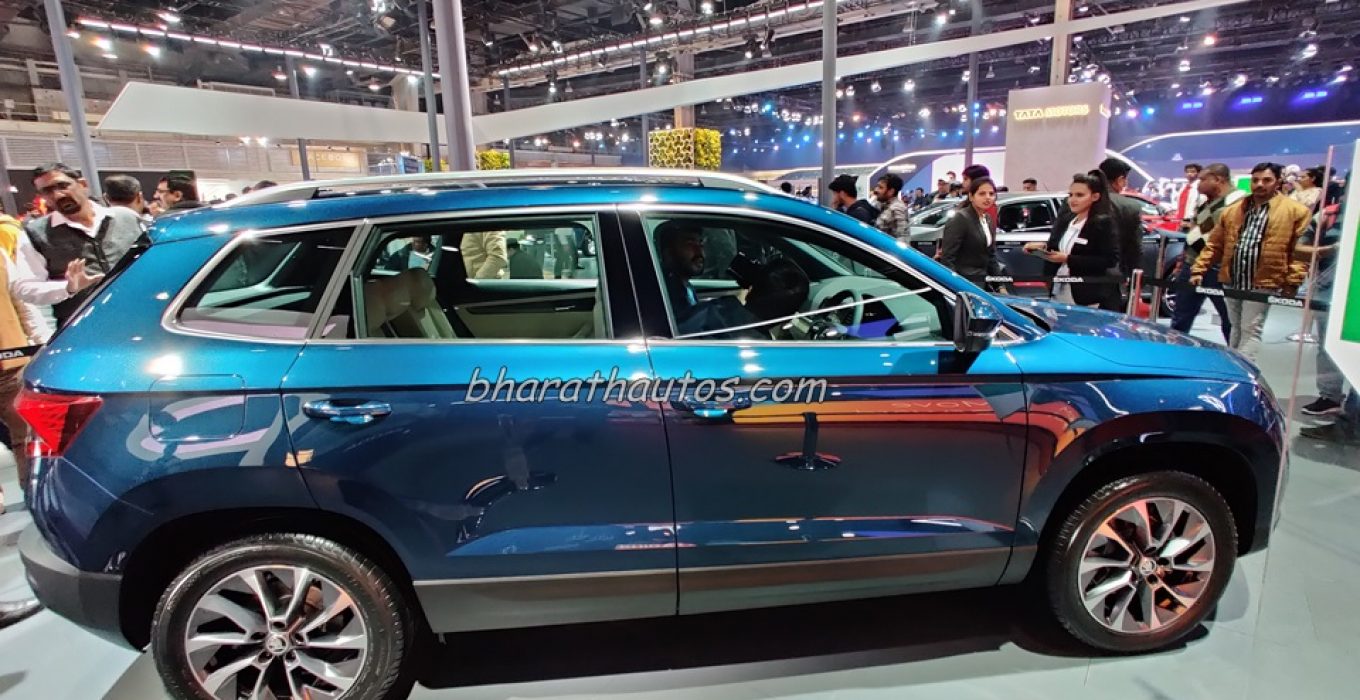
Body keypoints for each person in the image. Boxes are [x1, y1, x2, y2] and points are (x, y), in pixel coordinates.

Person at [1190, 162, 1311, 361]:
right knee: (1235, 326)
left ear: (1278, 182)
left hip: (1263, 280)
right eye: (1255, 180)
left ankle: (1244, 371)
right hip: (1232, 277)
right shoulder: (1234, 210)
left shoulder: (1296, 211)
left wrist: (1292, 282)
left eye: (1266, 180)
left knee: (1251, 329)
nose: (1260, 184)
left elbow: (1300, 252)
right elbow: (1215, 244)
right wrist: (1199, 269)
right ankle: (1233, 367)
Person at [22, 163, 139, 326]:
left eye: (62, 185)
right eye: (47, 191)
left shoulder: (126, 218)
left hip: (141, 313)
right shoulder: (35, 234)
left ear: (82, 184)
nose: (57, 195)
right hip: (85, 326)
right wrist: (68, 287)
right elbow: (26, 288)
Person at [1024, 171, 1122, 311]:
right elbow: (1061, 248)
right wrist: (1040, 249)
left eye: (1079, 195)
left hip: (1085, 293)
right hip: (1058, 287)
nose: (1073, 199)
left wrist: (1068, 259)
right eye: (1071, 195)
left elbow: (1109, 260)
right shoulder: (1067, 219)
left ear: (1095, 197)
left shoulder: (1102, 223)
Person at [1170, 163, 1242, 342]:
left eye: (1203, 179)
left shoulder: (1237, 202)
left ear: (1217, 180)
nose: (1198, 183)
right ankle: (1175, 352)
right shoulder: (1206, 202)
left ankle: (1234, 355)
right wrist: (1183, 260)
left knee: (1230, 320)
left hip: (1218, 268)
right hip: (1192, 263)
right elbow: (1195, 232)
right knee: (1181, 317)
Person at [1297, 186, 1347, 419]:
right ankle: (1330, 396)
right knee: (1327, 345)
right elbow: (1299, 248)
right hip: (1328, 292)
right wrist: (1329, 249)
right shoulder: (1328, 214)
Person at [939, 177, 1004, 289]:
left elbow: (991, 256)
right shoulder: (960, 218)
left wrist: (1000, 286)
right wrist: (956, 286)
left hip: (981, 283)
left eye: (991, 194)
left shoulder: (988, 219)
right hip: (963, 283)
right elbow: (947, 259)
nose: (988, 197)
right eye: (982, 194)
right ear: (971, 196)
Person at [1096, 158, 1145, 280]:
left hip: (1077, 270)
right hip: (1114, 272)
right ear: (1120, 180)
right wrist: (1134, 277)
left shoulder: (1078, 201)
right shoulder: (1130, 206)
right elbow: (1134, 247)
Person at [871, 174, 910, 239]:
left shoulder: (897, 209)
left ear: (891, 191)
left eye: (880, 187)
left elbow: (902, 237)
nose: (876, 190)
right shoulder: (882, 205)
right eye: (877, 186)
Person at [1176, 163, 1205, 230]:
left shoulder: (1200, 186)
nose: (1189, 174)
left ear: (1198, 173)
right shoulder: (1184, 187)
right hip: (1181, 220)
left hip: (1192, 221)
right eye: (1187, 172)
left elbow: (1202, 204)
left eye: (1192, 172)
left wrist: (1194, 221)